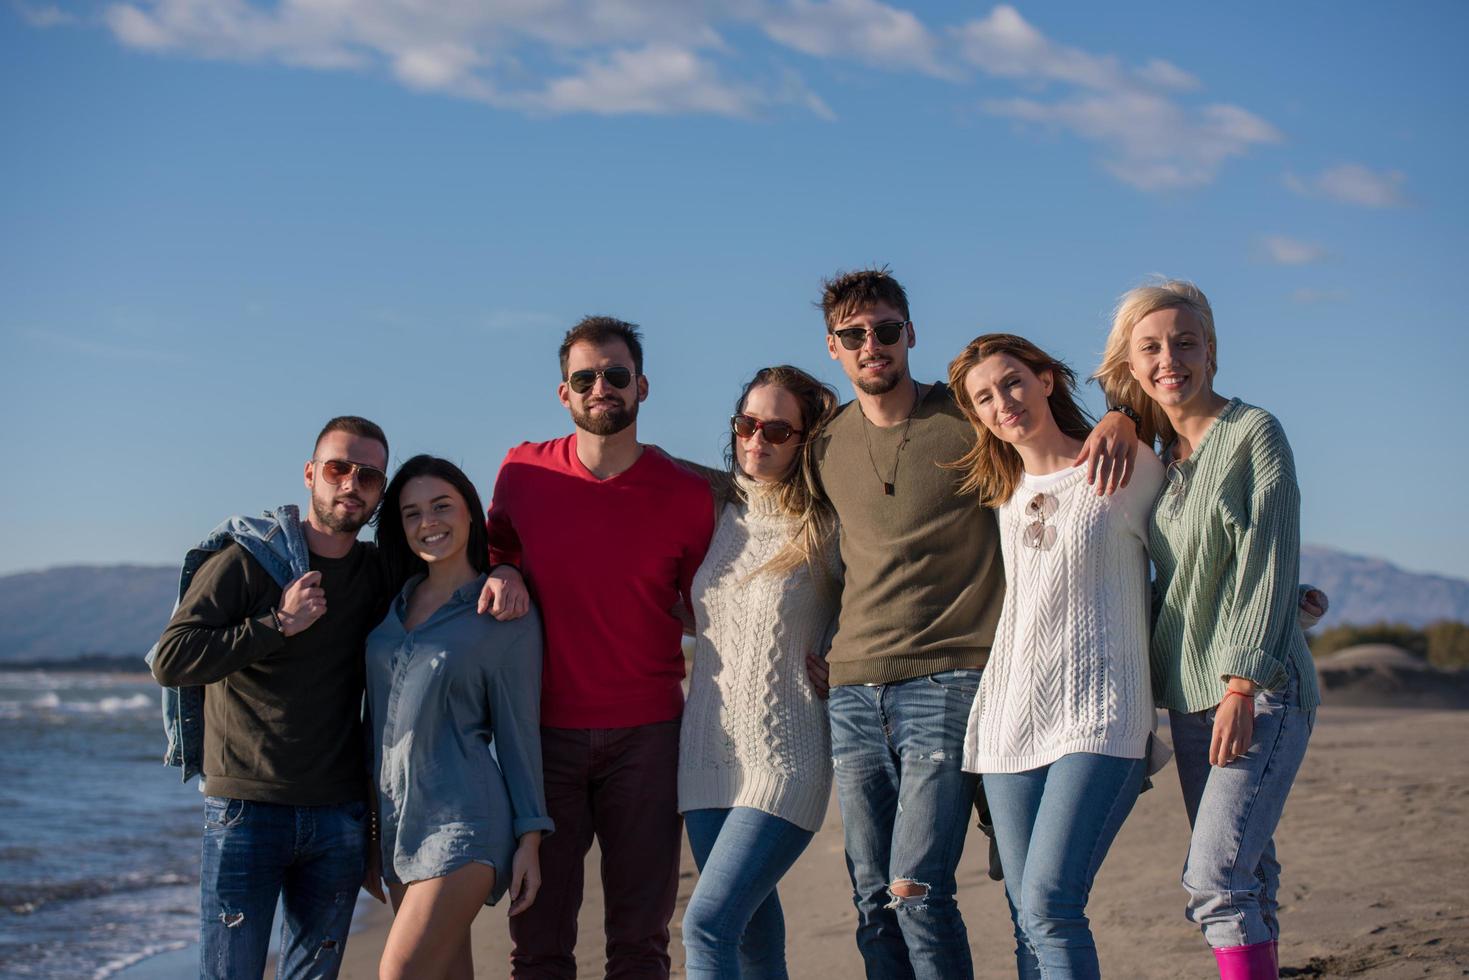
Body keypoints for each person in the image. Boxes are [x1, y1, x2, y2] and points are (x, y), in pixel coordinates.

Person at [809, 268, 1141, 980]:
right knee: (873, 898)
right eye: (854, 335)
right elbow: (779, 526)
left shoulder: (965, 413)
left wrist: (1124, 414)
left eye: (887, 330)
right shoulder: (822, 444)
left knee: (917, 889)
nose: (872, 345)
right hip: (853, 688)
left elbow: (1067, 456)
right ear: (832, 347)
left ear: (909, 334)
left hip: (954, 680)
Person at [1096, 280, 1320, 979]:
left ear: (1211, 352)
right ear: (1131, 366)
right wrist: (1117, 422)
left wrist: (1241, 683)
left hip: (1255, 693)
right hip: (1190, 698)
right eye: (1151, 347)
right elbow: (1187, 580)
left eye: (1185, 343)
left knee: (1213, 883)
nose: (1170, 359)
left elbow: (1263, 557)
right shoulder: (1164, 463)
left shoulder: (1253, 433)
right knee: (1247, 876)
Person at [483, 316, 716, 979]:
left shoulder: (687, 494)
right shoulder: (522, 472)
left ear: (641, 385)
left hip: (648, 735)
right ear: (564, 393)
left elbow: (710, 610)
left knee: (640, 944)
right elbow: (494, 556)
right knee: (537, 942)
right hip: (542, 737)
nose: (601, 388)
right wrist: (500, 570)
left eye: (615, 375)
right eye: (584, 377)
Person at [148, 416, 397, 980]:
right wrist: (277, 624)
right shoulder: (247, 563)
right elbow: (171, 660)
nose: (350, 484)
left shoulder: (378, 573)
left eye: (368, 476)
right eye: (337, 468)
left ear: (380, 492)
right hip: (245, 810)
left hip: (338, 815)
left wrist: (502, 571)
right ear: (311, 474)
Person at [950, 334, 1165, 979]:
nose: (1003, 402)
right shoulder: (1003, 493)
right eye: (984, 397)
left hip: (1102, 713)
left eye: (1013, 382)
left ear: (1045, 379)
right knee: (1026, 917)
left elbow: (1192, 557)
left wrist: (1276, 601)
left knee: (1050, 903)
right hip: (1011, 722)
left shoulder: (1124, 466)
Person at [677, 366, 842, 979]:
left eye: (777, 429)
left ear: (806, 439)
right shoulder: (717, 512)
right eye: (746, 425)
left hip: (784, 757)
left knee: (706, 925)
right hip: (702, 760)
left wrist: (846, 656)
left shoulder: (827, 524)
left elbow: (890, 591)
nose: (756, 441)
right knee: (752, 943)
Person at [365, 455, 554, 980]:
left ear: (471, 513)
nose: (429, 522)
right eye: (412, 513)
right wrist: (371, 831)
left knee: (397, 973)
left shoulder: (502, 612)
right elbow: (372, 726)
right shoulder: (392, 606)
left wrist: (531, 840)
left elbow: (520, 733)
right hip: (399, 826)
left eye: (442, 506)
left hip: (467, 821)